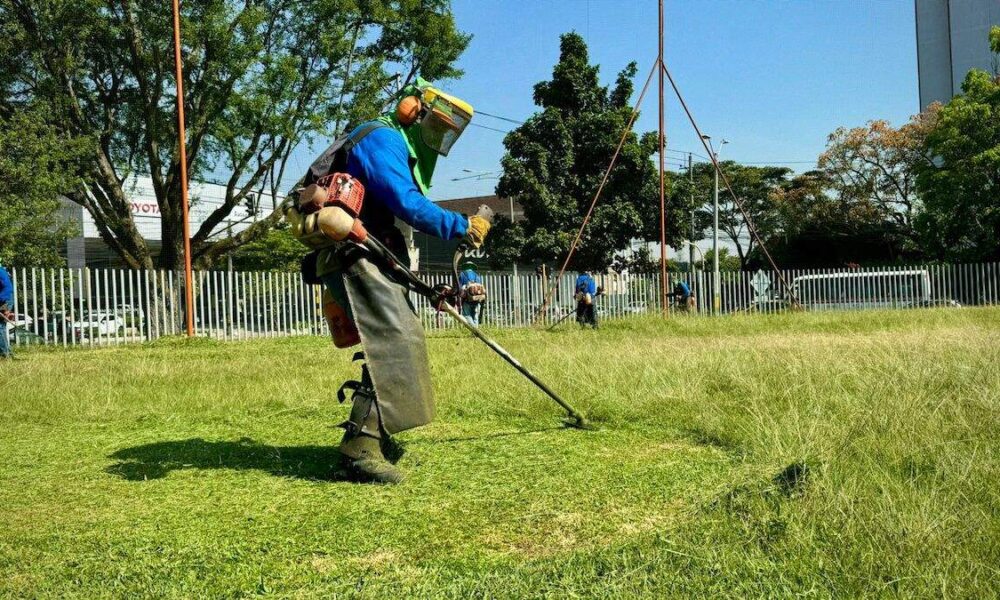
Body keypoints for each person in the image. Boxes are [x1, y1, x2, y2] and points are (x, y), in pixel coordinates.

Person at [291, 78, 491, 484]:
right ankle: (359, 451)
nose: (438, 138)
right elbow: (405, 201)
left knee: (397, 336)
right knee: (397, 337)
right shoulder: (382, 139)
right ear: (411, 109)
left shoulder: (393, 142)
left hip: (365, 250)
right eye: (435, 126)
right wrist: (460, 224)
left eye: (446, 133)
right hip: (351, 253)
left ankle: (370, 434)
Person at [0, 263, 13, 359]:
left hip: (5, 299)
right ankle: (7, 352)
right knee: (1, 328)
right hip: (4, 298)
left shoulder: (0, 272)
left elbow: (7, 288)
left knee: (0, 327)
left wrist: (4, 307)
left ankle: (5, 354)